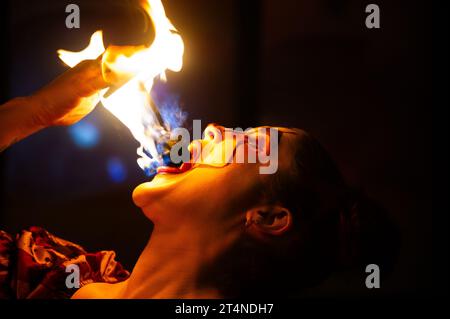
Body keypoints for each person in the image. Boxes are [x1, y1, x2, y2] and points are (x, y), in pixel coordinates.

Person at [0, 62, 399, 299]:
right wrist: (34, 113)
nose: (211, 130)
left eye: (249, 142)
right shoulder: (55, 265)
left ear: (268, 218)